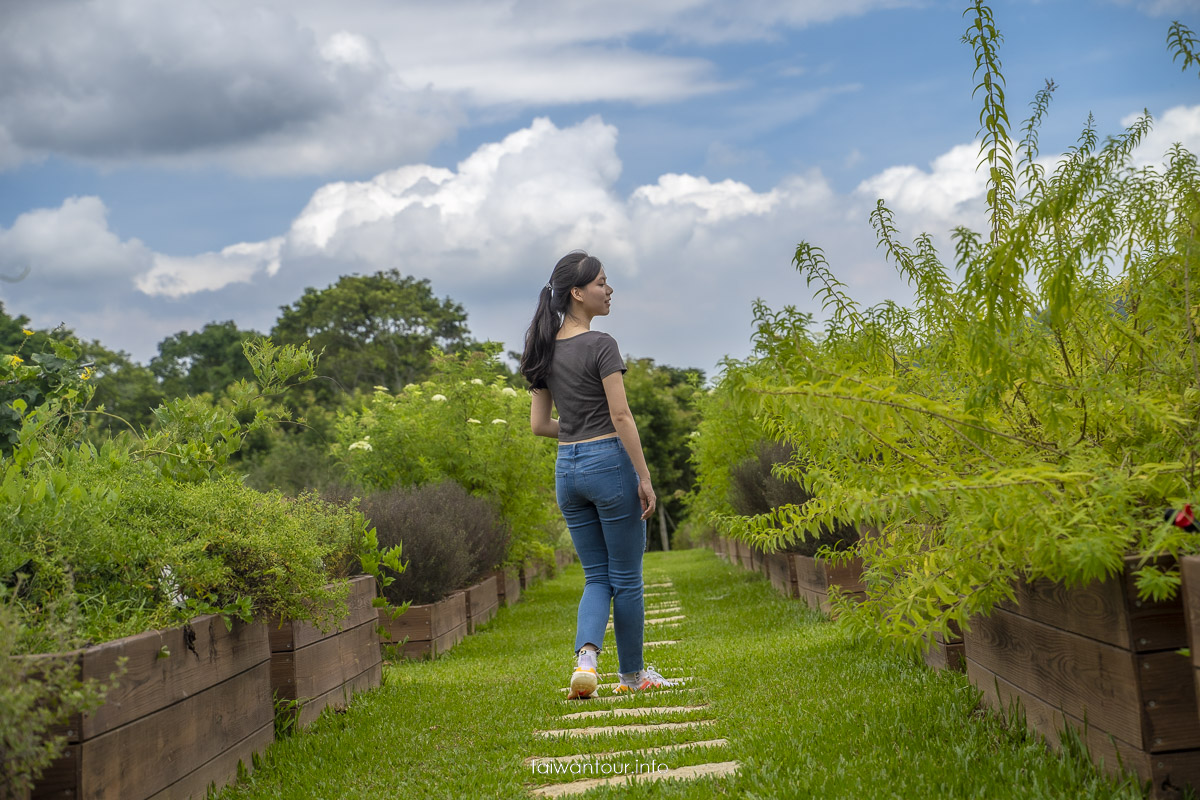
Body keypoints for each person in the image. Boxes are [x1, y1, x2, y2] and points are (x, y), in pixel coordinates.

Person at [520, 250, 674, 700]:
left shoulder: (543, 350)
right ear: (577, 292)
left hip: (567, 470)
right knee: (626, 577)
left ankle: (586, 657)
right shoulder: (601, 344)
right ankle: (632, 676)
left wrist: (577, 432)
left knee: (596, 577)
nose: (609, 291)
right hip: (608, 464)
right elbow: (621, 416)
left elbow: (539, 425)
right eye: (602, 283)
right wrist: (643, 478)